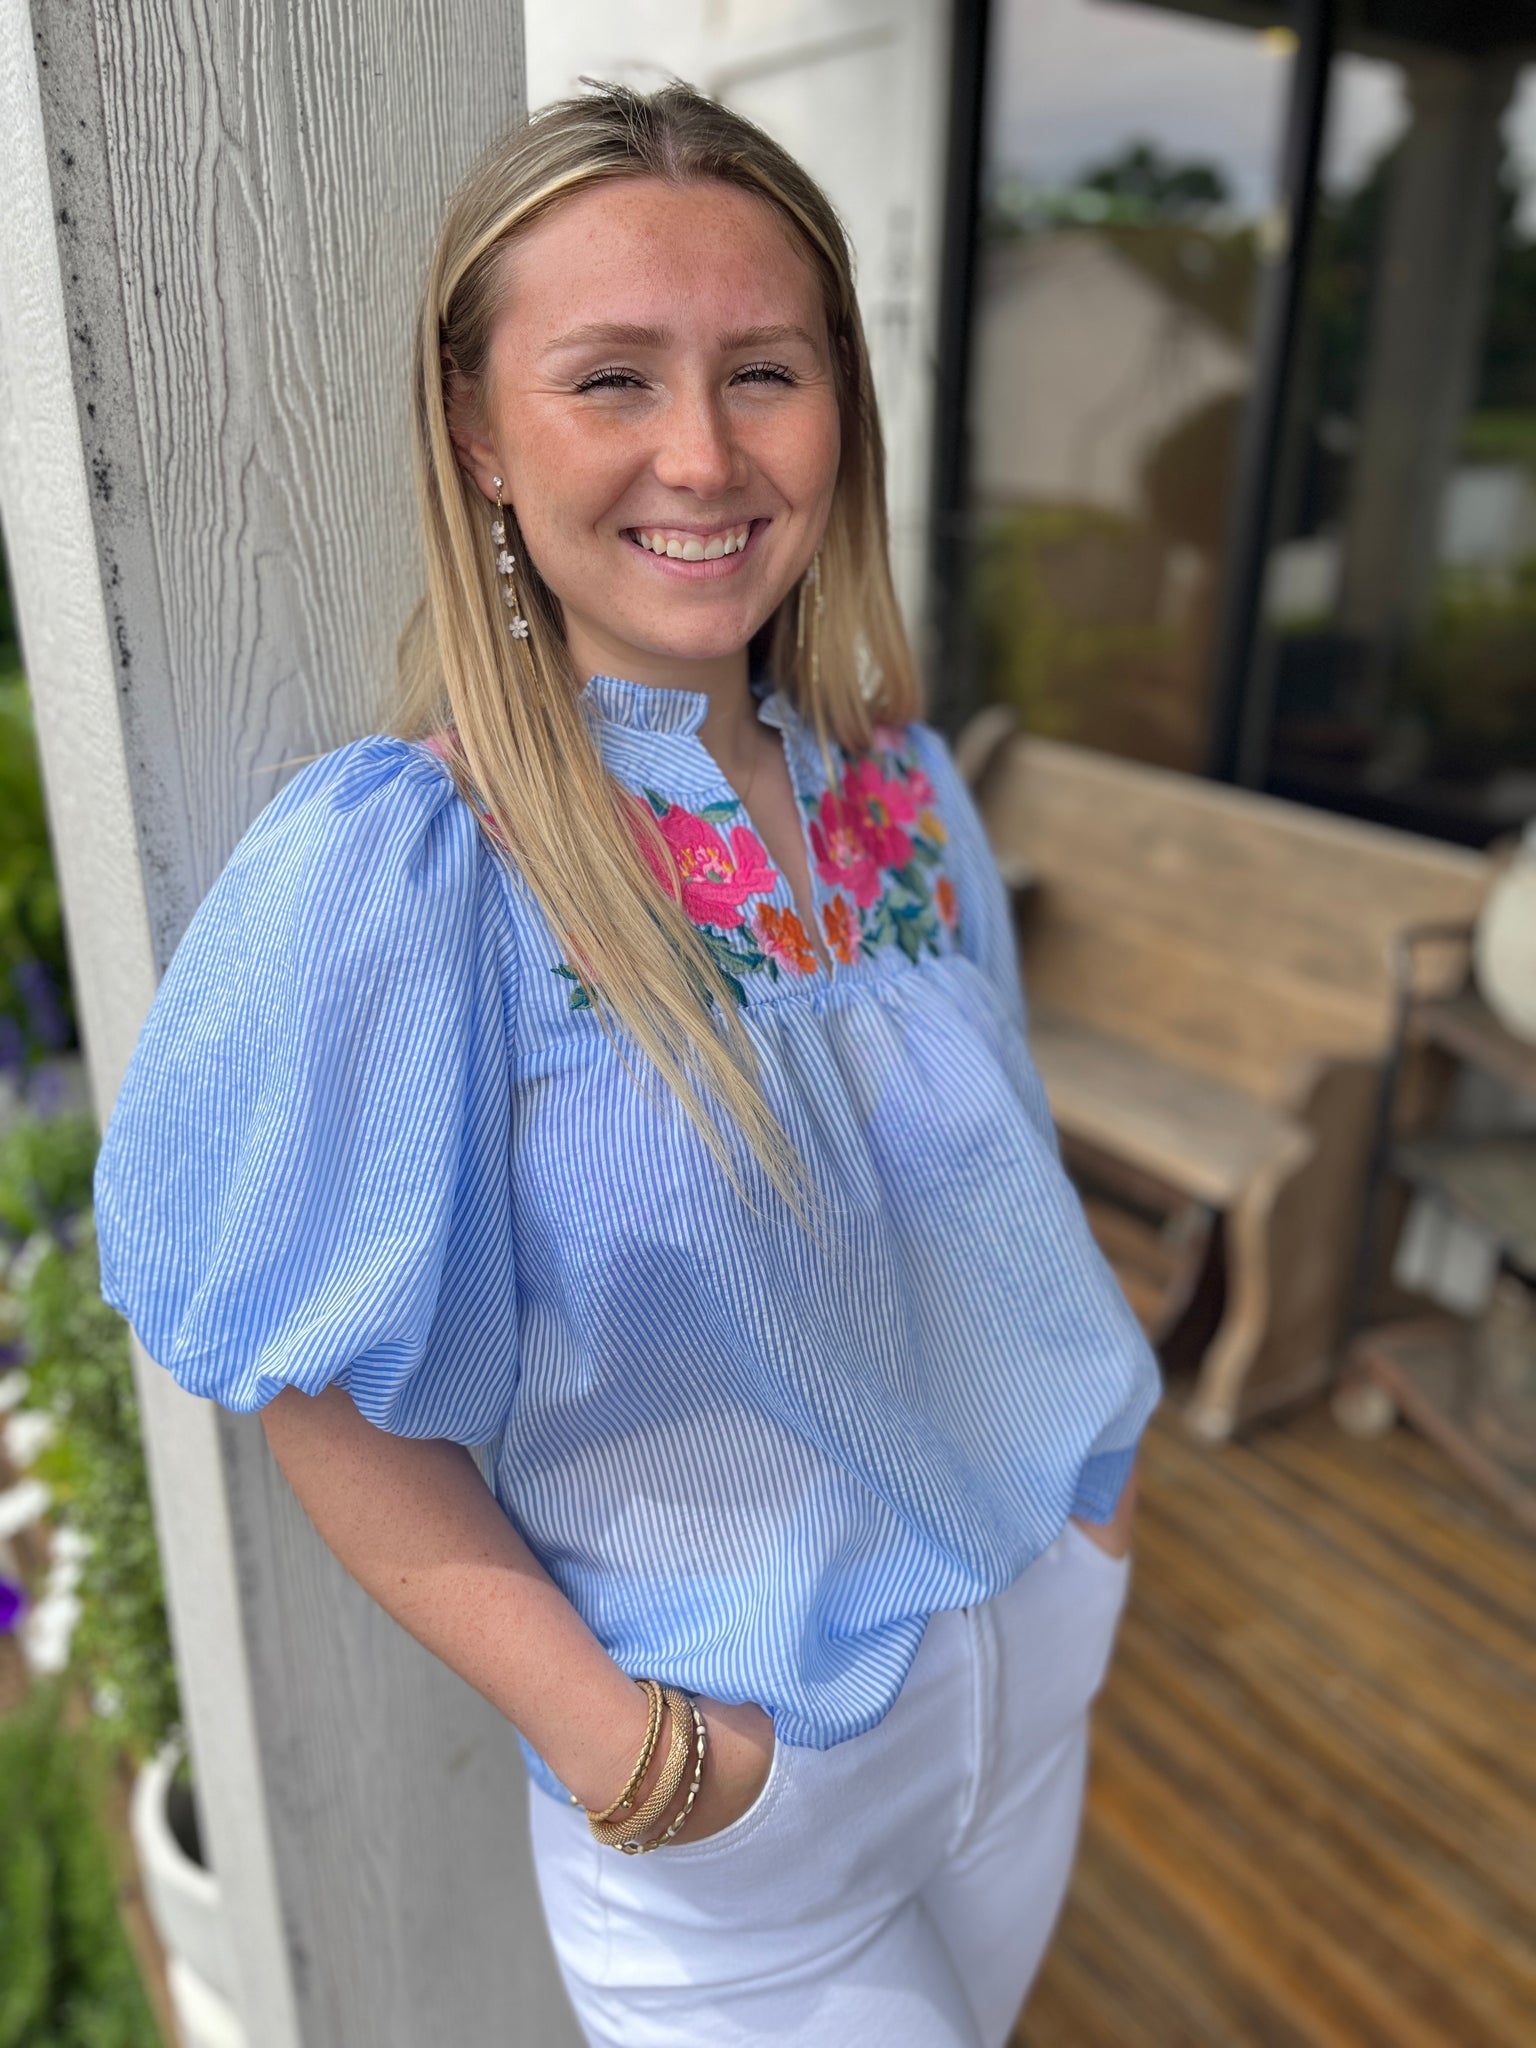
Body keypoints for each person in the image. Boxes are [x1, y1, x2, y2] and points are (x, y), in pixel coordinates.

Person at [94, 80, 1161, 2048]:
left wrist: (1089, 1508)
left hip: (1030, 1675)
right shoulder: (416, 871)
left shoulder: (898, 793)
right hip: (746, 1805)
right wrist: (633, 1747)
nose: (704, 450)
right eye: (612, 379)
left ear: (840, 400)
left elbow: (974, 1181)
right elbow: (317, 1388)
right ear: (482, 433)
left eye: (764, 368)